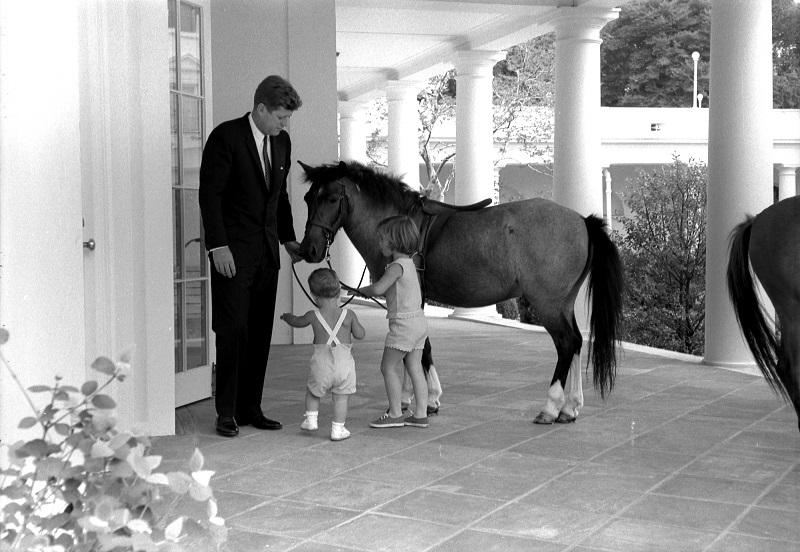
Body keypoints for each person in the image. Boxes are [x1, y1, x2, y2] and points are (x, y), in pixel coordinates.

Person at [199, 75, 303, 437]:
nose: (285, 124)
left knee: (259, 332)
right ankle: (225, 411)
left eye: (287, 119)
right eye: (281, 117)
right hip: (231, 254)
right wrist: (218, 246)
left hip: (266, 255)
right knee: (232, 331)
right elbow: (209, 196)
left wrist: (288, 239)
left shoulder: (282, 143)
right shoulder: (225, 138)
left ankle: (250, 408)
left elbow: (280, 196)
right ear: (260, 109)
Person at [356, 215, 430, 429]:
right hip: (418, 322)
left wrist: (359, 291)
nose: (379, 243)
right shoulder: (410, 264)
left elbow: (379, 289)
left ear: (394, 241)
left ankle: (396, 413)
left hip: (404, 326)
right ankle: (420, 414)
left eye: (382, 239)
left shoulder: (396, 266)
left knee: (387, 367)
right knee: (415, 367)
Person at [280, 268, 365, 441]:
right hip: (344, 366)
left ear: (314, 297)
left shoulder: (313, 315)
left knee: (313, 392)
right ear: (338, 291)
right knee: (341, 398)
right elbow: (360, 334)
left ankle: (311, 420)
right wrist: (356, 326)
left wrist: (287, 317)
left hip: (321, 364)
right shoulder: (349, 315)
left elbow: (297, 322)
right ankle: (338, 429)